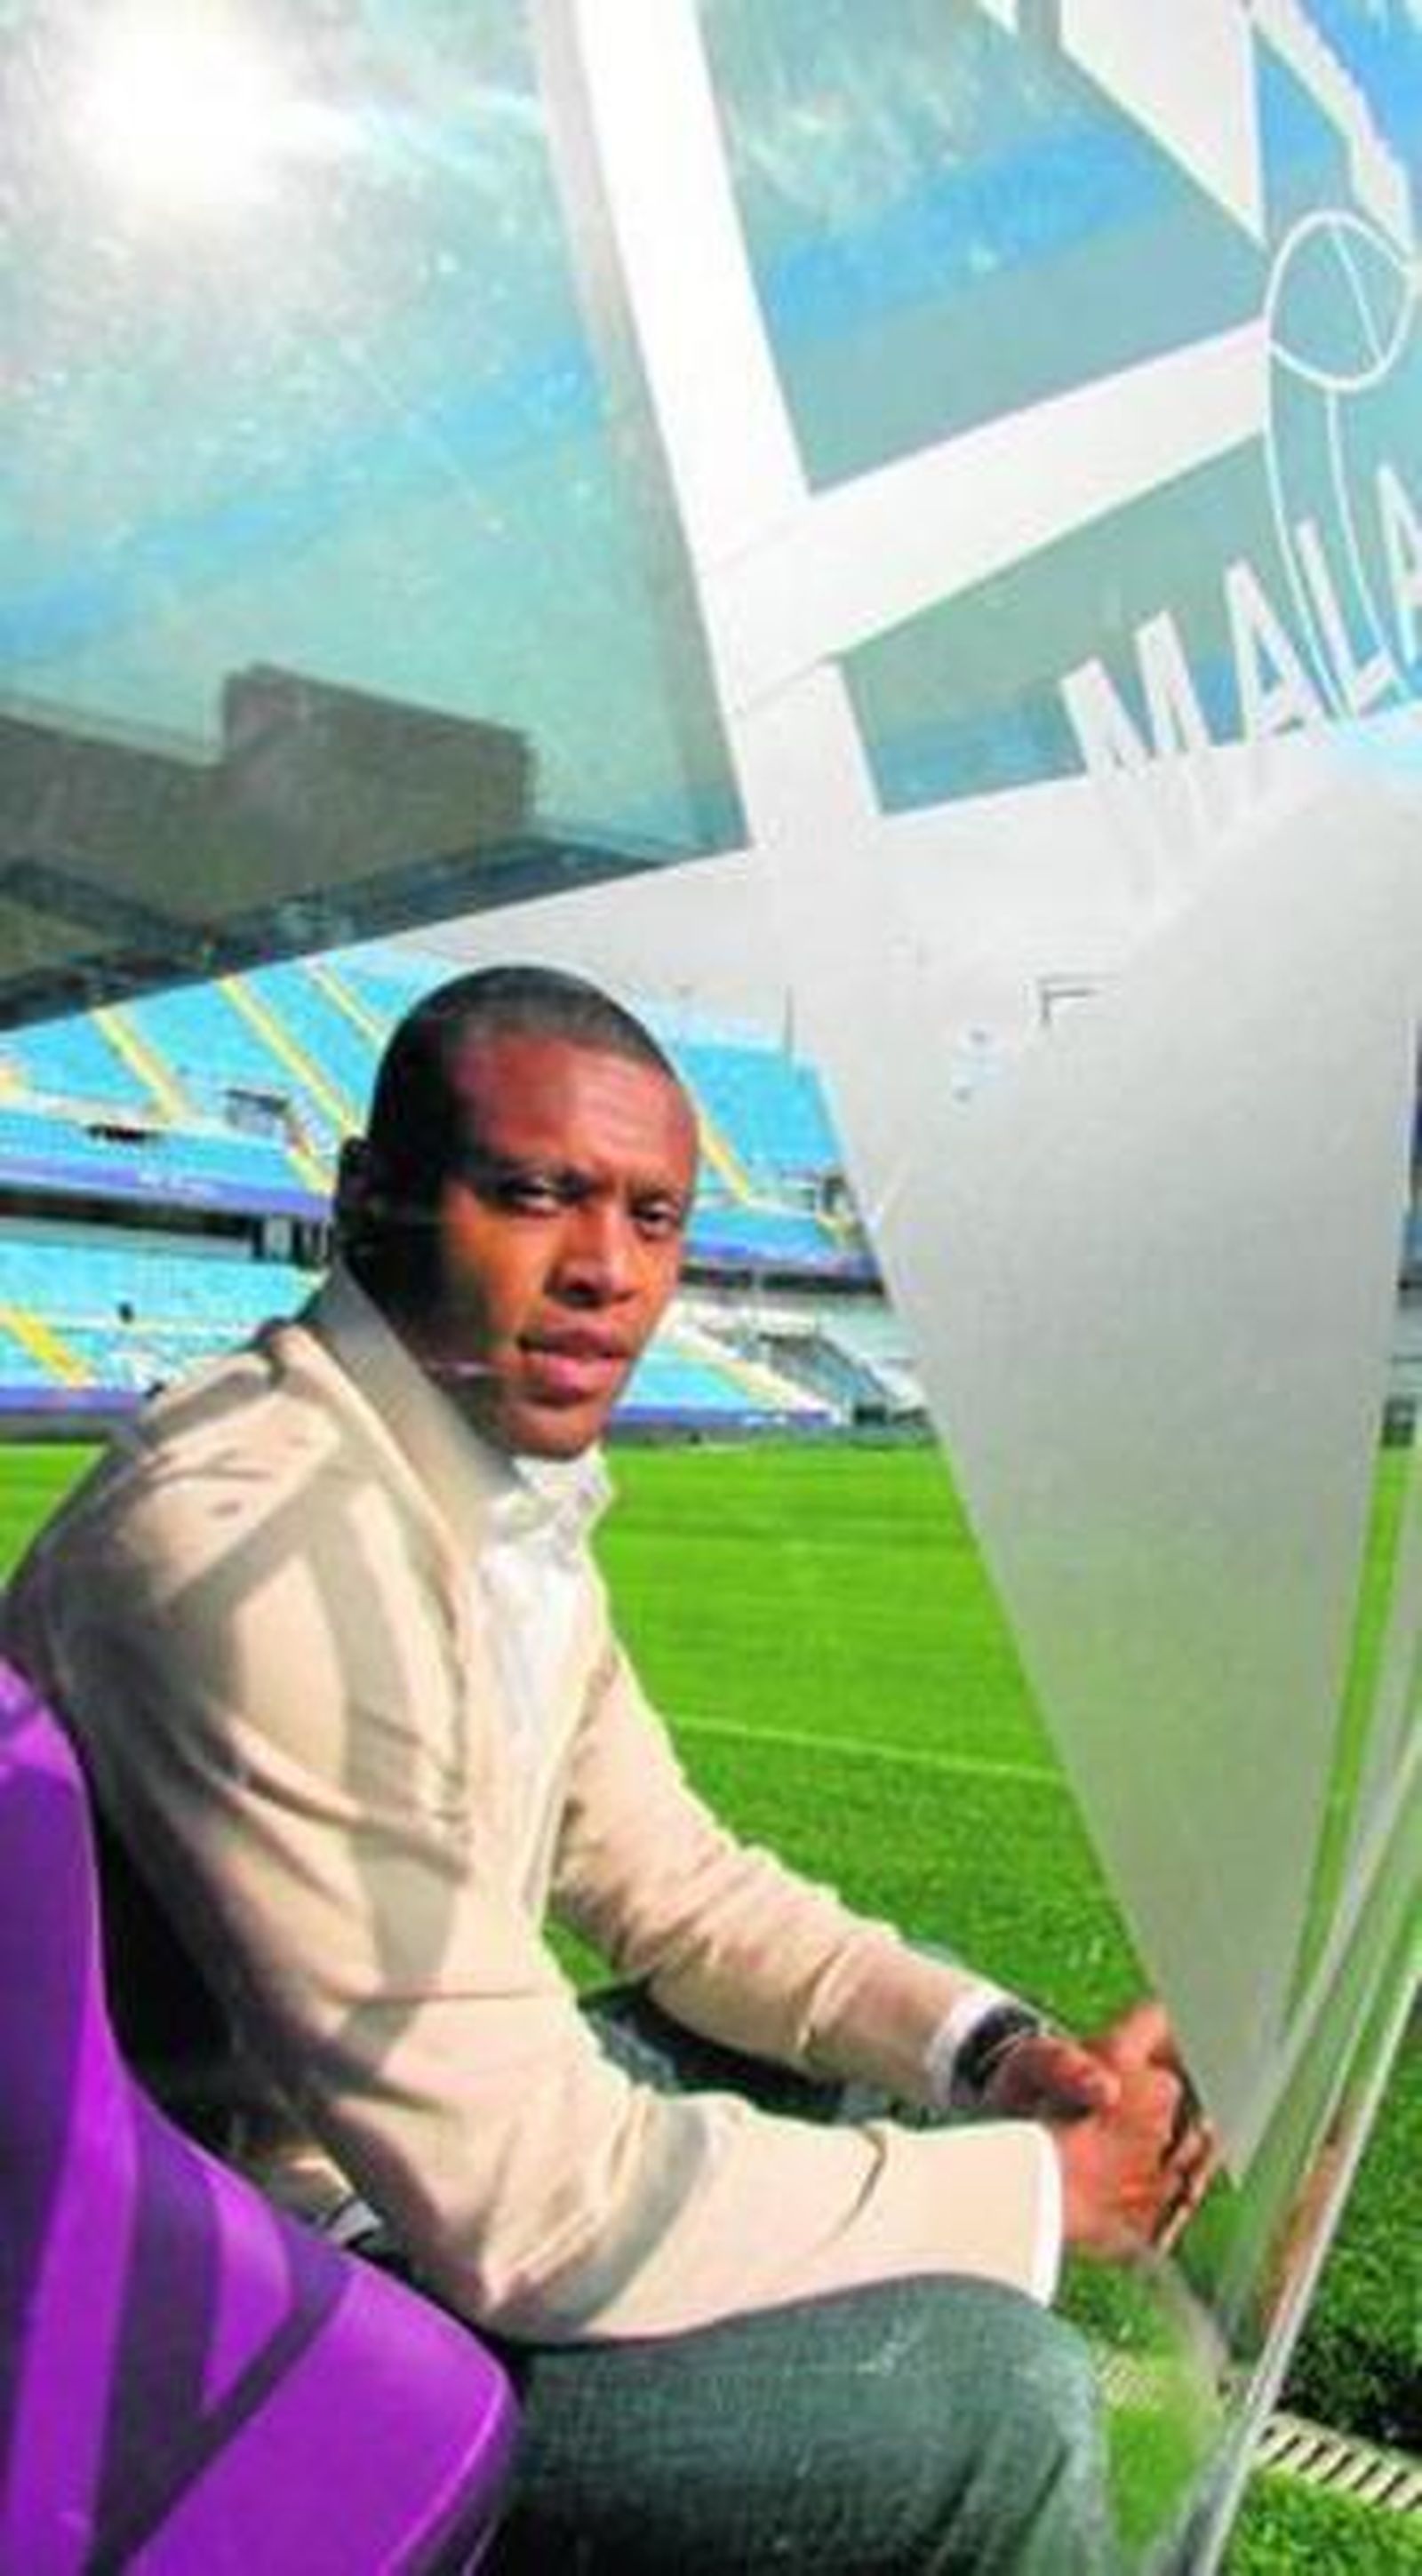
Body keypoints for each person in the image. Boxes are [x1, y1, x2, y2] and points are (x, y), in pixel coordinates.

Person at [3, 966, 1212, 2572]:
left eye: (655, 1220)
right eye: (533, 1196)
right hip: (257, 2287)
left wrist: (996, 2061)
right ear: (369, 1198)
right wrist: (1041, 2195)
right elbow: (523, 2204)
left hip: (398, 2176)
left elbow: (680, 1889)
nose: (609, 1273)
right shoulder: (253, 1548)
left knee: (879, 2045)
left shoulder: (472, 1486)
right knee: (995, 2408)